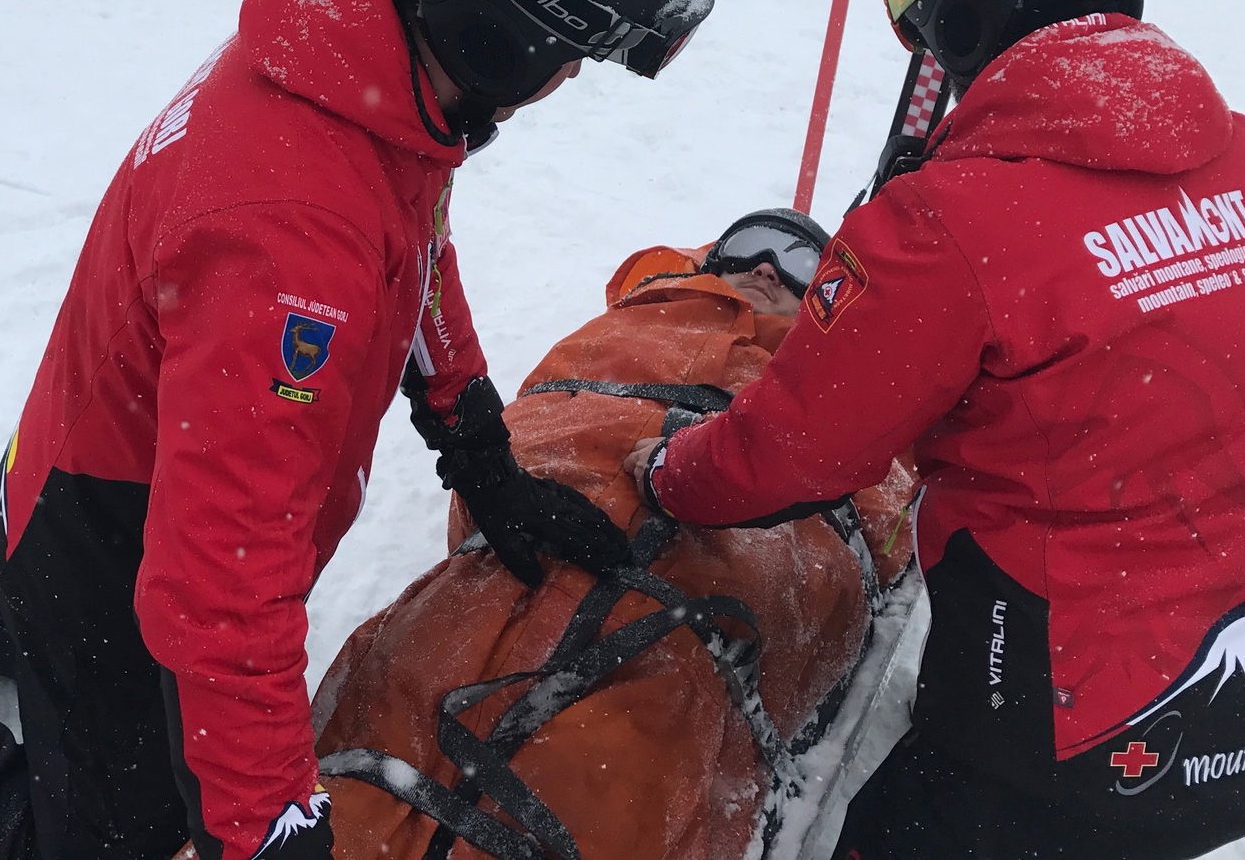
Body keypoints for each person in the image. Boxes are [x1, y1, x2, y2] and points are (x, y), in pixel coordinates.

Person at [0, 0, 715, 860]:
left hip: (112, 478)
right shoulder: (291, 244)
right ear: (504, 35)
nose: (568, 82)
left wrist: (476, 445)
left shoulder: (363, 58)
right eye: (573, 56)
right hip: (118, 529)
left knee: (92, 645)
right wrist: (268, 831)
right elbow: (217, 588)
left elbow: (412, 251)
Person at [623, 0, 1245, 859]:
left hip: (1091, 740)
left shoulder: (948, 222)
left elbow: (793, 456)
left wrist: (669, 479)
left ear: (962, 19)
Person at [314, 209, 919, 860]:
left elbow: (877, 529)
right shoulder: (642, 319)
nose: (767, 265)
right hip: (535, 540)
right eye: (748, 247)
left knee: (614, 761)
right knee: (404, 705)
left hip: (707, 603)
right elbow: (534, 423)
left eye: (802, 263)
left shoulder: (848, 375)